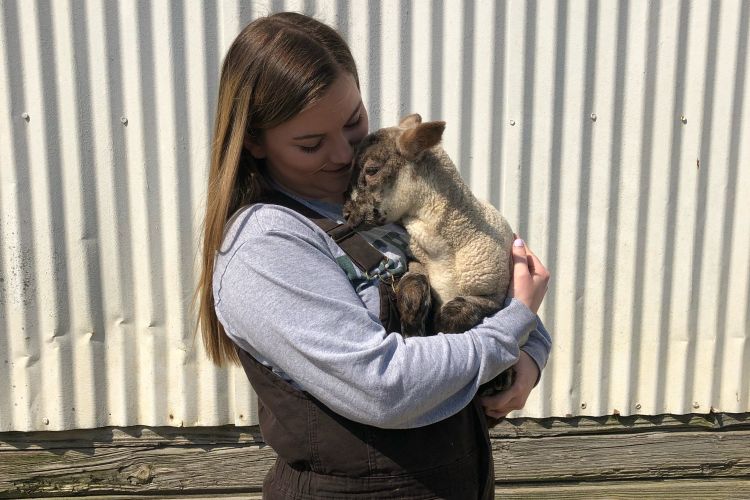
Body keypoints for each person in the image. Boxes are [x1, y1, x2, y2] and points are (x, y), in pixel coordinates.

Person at [195, 12, 551, 499]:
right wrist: (511, 333)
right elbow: (383, 386)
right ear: (254, 141)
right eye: (311, 143)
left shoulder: (385, 202)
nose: (343, 155)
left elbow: (495, 292)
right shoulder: (267, 248)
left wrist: (530, 355)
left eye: (353, 121)